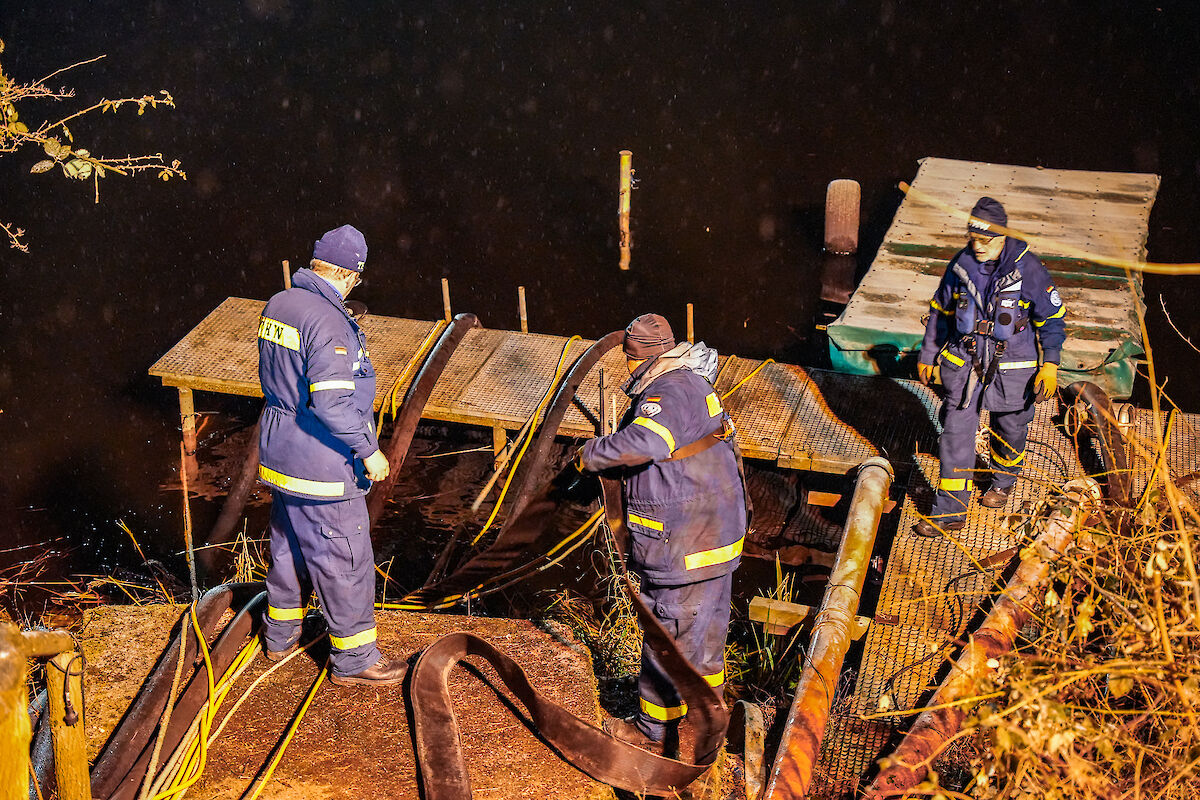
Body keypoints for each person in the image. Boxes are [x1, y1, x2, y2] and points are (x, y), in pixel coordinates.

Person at [578, 313, 749, 749]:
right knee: (706, 643)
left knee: (666, 639)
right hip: (714, 536)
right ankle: (707, 725)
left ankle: (652, 733)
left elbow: (647, 444)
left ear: (637, 358)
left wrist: (593, 453)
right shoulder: (693, 381)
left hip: (684, 542)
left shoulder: (665, 391)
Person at [256, 224, 408, 686]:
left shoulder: (280, 304)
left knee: (288, 548)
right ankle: (355, 660)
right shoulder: (329, 321)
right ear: (350, 275)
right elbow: (332, 403)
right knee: (345, 557)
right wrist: (369, 451)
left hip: (280, 453)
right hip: (321, 463)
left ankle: (279, 636)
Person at [914, 197, 1066, 537]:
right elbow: (941, 312)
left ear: (1002, 236)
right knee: (955, 434)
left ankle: (1004, 478)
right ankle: (949, 512)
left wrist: (1050, 365)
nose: (978, 246)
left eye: (987, 240)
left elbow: (1052, 320)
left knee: (1011, 428)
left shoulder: (1029, 270)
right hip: (965, 365)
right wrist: (928, 354)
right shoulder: (961, 265)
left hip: (1013, 367)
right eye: (973, 238)